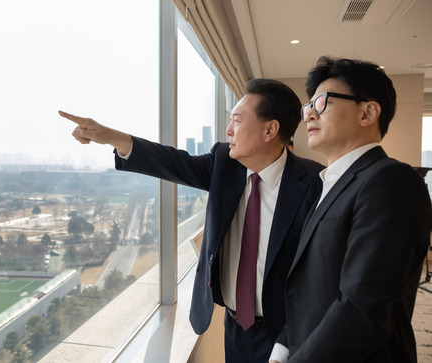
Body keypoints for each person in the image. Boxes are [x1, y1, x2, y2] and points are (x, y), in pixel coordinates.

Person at [60, 78, 324, 362]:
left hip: (287, 334)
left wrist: (286, 346)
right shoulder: (224, 163)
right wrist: (111, 136)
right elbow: (171, 161)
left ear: (270, 129)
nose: (228, 130)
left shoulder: (314, 183)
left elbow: (319, 275)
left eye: (237, 120)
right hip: (234, 326)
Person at [269, 56, 432, 363]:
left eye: (322, 102)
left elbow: (362, 310)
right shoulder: (328, 184)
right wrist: (282, 350)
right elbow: (310, 290)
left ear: (368, 112)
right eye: (309, 107)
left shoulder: (390, 181)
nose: (310, 115)